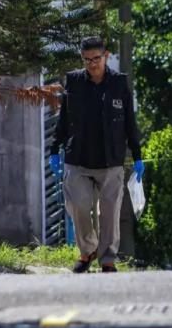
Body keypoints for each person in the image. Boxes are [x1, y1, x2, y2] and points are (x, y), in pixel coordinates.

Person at [49, 37, 144, 273]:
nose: (92, 64)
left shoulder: (119, 84)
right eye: (87, 60)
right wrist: (54, 148)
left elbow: (130, 123)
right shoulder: (74, 81)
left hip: (111, 159)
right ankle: (87, 250)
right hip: (78, 158)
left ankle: (108, 259)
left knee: (110, 213)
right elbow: (63, 120)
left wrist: (137, 153)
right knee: (78, 206)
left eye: (96, 59)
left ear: (106, 56)